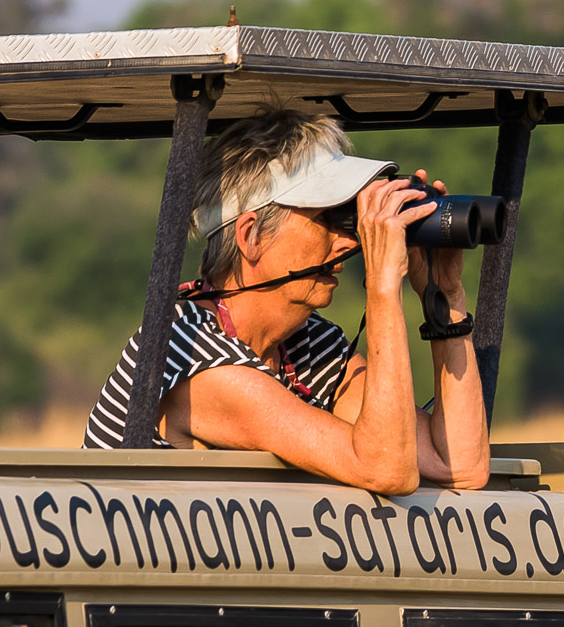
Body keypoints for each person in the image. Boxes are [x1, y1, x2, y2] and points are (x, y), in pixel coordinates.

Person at [82, 109, 490, 495]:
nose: (348, 241)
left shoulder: (306, 345)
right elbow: (387, 469)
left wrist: (446, 296)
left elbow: (461, 466)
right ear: (251, 236)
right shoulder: (193, 355)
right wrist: (383, 286)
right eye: (327, 218)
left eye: (347, 219)